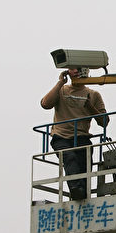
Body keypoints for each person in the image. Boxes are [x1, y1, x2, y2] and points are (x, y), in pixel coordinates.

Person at [41, 68, 109, 200]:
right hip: (61, 136)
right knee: (69, 157)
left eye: (80, 68)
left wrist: (89, 106)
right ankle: (76, 191)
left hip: (82, 137)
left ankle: (82, 196)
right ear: (68, 71)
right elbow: (45, 104)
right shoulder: (61, 90)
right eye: (73, 68)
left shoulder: (93, 94)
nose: (77, 71)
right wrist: (60, 82)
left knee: (84, 169)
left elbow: (104, 121)